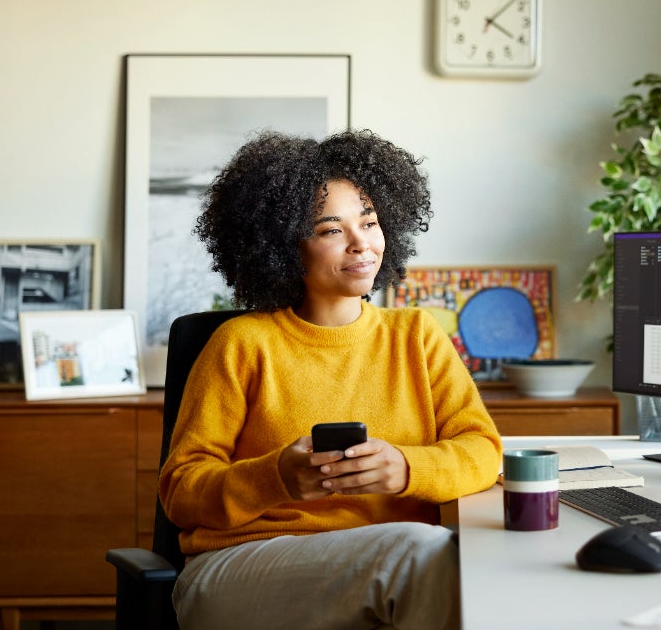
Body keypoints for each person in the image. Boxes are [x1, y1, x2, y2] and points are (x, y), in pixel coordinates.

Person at [159, 129, 503, 630]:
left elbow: (483, 450)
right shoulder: (242, 343)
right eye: (331, 230)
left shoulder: (416, 336)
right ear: (282, 245)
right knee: (422, 554)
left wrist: (408, 469)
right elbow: (181, 491)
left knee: (447, 560)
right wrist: (278, 477)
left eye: (370, 221)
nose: (362, 243)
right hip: (241, 566)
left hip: (390, 571)